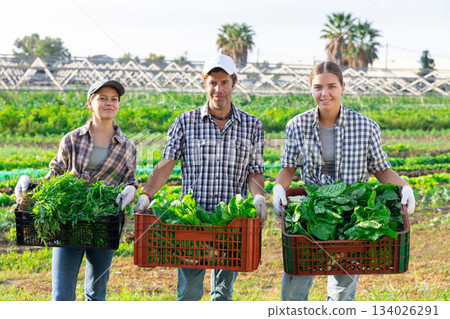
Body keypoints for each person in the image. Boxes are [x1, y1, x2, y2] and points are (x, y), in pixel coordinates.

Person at [272, 61, 416, 301]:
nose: (324, 93)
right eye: (318, 87)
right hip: (313, 215)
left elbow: (381, 170)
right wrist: (279, 186)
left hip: (352, 219)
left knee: (341, 296)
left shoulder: (366, 127)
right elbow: (288, 168)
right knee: (293, 291)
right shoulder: (296, 126)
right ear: (311, 88)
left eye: (331, 86)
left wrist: (405, 187)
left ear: (342, 87)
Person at [134, 53, 267, 301]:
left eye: (224, 82)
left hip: (231, 221)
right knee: (188, 292)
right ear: (204, 83)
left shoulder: (252, 125)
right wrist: (146, 194)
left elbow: (254, 169)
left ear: (233, 83)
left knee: (223, 294)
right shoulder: (185, 122)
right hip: (192, 221)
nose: (218, 89)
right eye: (213, 82)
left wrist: (259, 196)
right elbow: (166, 163)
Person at [14, 79, 138, 301]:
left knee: (96, 294)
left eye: (114, 99)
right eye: (102, 98)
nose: (109, 103)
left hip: (103, 223)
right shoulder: (71, 139)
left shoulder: (127, 146)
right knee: (61, 295)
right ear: (90, 104)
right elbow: (54, 177)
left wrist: (130, 191)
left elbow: (131, 180)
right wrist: (28, 183)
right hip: (68, 222)